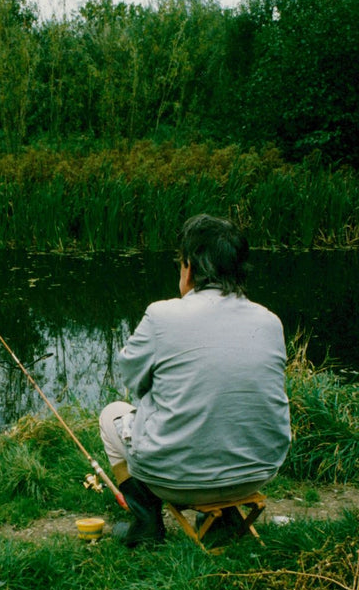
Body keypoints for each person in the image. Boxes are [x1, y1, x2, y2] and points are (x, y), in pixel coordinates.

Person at [100, 213, 292, 547]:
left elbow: (131, 376)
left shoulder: (162, 315)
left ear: (188, 268)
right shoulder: (270, 321)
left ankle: (146, 524)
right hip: (257, 473)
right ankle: (225, 519)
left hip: (174, 480)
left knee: (111, 415)